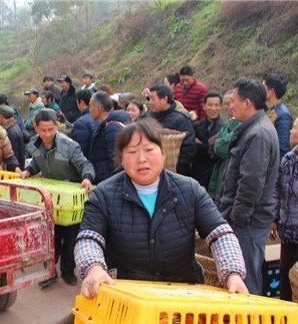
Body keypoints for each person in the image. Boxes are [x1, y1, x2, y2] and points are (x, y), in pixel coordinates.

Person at [75, 119, 248, 298]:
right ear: (121, 159)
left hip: (183, 293)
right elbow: (89, 238)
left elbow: (220, 234)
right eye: (132, 152)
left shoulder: (190, 189)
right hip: (127, 294)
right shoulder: (103, 194)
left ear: (163, 153)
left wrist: (232, 273)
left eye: (149, 150)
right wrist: (94, 267)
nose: (141, 159)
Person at [218, 78, 280, 295]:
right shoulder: (252, 128)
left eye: (233, 101)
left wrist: (237, 218)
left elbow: (251, 182)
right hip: (244, 219)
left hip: (248, 222)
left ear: (248, 103)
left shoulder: (258, 134)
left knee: (245, 280)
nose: (230, 106)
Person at [20, 109, 95, 287]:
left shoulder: (69, 145)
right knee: (50, 237)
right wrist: (28, 171)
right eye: (43, 130)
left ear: (57, 126)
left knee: (70, 238)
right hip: (50, 198)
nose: (47, 134)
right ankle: (49, 272)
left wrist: (87, 177)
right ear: (36, 128)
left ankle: (68, 271)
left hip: (70, 201)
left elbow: (84, 164)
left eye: (51, 129)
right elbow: (36, 162)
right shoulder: (34, 144)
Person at [271, 117, 298, 301]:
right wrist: (274, 218)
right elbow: (276, 190)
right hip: (288, 232)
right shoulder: (288, 159)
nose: (290, 131)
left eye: (295, 128)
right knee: (286, 276)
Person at [148, 84, 196, 176]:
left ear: (165, 99)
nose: (150, 102)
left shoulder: (181, 119)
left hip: (174, 172)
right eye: (149, 99)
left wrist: (177, 170)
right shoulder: (150, 118)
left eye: (153, 99)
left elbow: (188, 148)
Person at [88, 91, 130, 184]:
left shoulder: (112, 127)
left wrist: (113, 184)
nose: (89, 109)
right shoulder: (105, 125)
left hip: (109, 181)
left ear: (99, 108)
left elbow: (116, 160)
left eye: (90, 106)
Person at [207, 90, 240, 201]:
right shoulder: (228, 123)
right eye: (226, 104)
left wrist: (218, 142)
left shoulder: (241, 124)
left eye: (231, 102)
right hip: (219, 173)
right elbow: (212, 147)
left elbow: (220, 148)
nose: (228, 107)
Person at [191, 91, 225, 189]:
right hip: (198, 175)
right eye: (210, 105)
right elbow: (193, 149)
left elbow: (219, 153)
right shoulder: (196, 126)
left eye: (216, 105)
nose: (213, 109)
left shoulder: (225, 128)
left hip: (216, 177)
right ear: (204, 106)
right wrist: (211, 147)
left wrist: (202, 146)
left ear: (220, 107)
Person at [263, 73, 293, 159]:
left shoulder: (283, 115)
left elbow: (283, 149)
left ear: (271, 92)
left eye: (263, 87)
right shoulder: (265, 110)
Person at [71, 89, 98, 158]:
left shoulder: (81, 123)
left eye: (77, 102)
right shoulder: (100, 117)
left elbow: (79, 150)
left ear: (82, 102)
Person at [0, 105, 26, 170]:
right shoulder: (15, 126)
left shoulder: (9, 132)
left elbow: (13, 153)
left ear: (1, 117)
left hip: (14, 168)